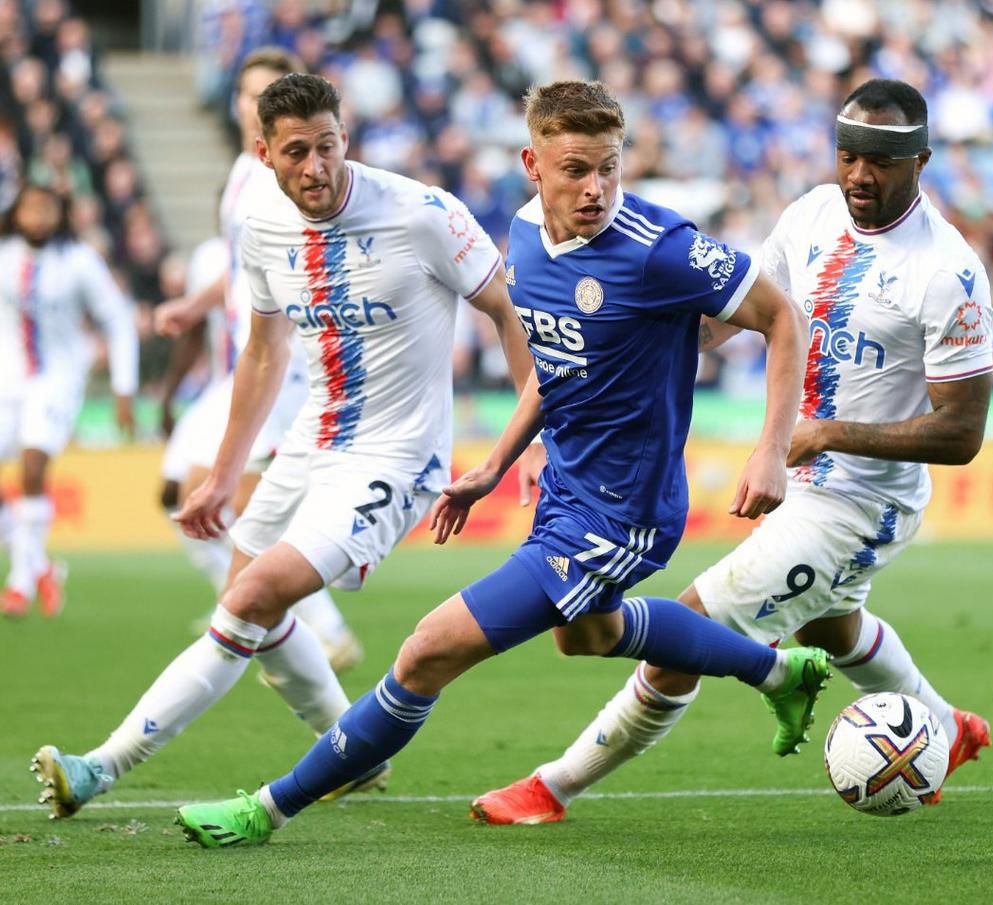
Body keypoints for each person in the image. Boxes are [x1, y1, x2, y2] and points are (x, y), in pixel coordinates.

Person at [172, 79, 830, 848]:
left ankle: (267, 808)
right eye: (575, 169)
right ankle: (781, 672)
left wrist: (770, 448)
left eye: (609, 168)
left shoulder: (662, 248)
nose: (595, 189)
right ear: (532, 165)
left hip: (626, 509)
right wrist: (495, 463)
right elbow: (552, 369)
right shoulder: (524, 234)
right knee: (589, 634)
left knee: (427, 649)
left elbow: (782, 316)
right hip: (568, 489)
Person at [469, 78, 993, 826]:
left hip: (862, 501)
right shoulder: (812, 213)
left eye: (880, 162)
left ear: (922, 162)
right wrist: (639, 338)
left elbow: (962, 432)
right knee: (828, 626)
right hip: (801, 474)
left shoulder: (947, 272)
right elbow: (728, 316)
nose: (858, 175)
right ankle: (945, 725)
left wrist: (820, 434)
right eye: (847, 156)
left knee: (693, 628)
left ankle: (554, 786)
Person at [30, 72, 539, 819]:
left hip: (397, 459)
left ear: (345, 137)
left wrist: (527, 444)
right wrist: (223, 474)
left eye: (327, 146)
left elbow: (510, 312)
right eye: (296, 152)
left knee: (251, 598)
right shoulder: (262, 226)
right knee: (248, 608)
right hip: (308, 443)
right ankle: (353, 751)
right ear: (263, 153)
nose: (316, 167)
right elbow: (262, 352)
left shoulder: (423, 213)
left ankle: (101, 766)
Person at [154, 47, 360, 669]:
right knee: (180, 490)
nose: (256, 105)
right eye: (250, 95)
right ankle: (253, 604)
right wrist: (196, 304)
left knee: (227, 496)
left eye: (270, 93)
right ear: (238, 103)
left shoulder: (292, 178)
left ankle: (304, 622)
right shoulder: (245, 173)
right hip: (240, 363)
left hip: (282, 360)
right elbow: (245, 265)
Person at [0, 182, 137, 618]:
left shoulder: (79, 262)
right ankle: (42, 565)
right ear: (16, 213)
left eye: (46, 209)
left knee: (32, 466)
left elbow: (118, 320)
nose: (37, 217)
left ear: (60, 214)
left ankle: (19, 583)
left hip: (57, 379)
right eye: (30, 209)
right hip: (8, 378)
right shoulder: (5, 255)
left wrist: (124, 388)